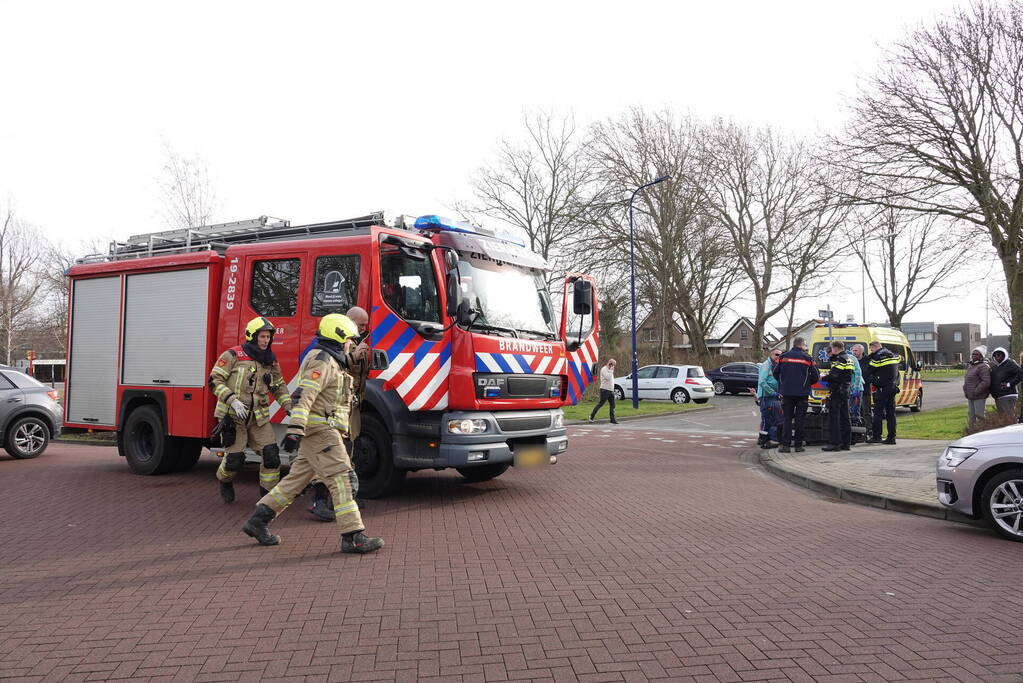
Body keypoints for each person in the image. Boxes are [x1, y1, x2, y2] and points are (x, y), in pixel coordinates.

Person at [241, 313, 384, 554]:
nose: (352, 344)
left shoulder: (332, 360)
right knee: (343, 478)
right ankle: (353, 536)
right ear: (339, 337)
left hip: (321, 431)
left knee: (296, 480)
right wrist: (295, 430)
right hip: (321, 431)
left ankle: (258, 521)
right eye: (350, 339)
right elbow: (305, 396)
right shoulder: (323, 361)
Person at [209, 316, 292, 503]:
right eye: (262, 337)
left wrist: (289, 408)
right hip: (233, 417)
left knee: (271, 456)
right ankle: (224, 480)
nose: (266, 341)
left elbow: (278, 386)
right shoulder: (233, 355)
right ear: (252, 336)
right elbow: (214, 380)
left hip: (258, 418)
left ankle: (267, 499)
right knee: (234, 461)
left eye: (268, 337)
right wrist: (232, 400)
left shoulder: (270, 360)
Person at [309, 306, 371, 522]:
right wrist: (354, 356)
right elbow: (342, 369)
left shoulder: (353, 343)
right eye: (360, 325)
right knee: (329, 455)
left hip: (349, 405)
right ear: (349, 321)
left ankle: (344, 498)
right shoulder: (336, 347)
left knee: (348, 449)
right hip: (331, 411)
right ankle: (319, 500)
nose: (364, 329)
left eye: (365, 325)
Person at [772, 337, 819, 453]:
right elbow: (815, 376)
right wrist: (806, 384)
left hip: (787, 393)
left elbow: (775, 373)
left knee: (787, 419)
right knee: (800, 420)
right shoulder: (807, 358)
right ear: (802, 345)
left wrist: (783, 383)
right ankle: (798, 445)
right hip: (802, 393)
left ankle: (786, 446)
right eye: (805, 345)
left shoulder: (783, 357)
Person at [865, 341, 900, 444]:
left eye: (871, 349)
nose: (871, 351)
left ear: (875, 347)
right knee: (891, 414)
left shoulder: (878, 357)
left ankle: (877, 436)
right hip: (892, 387)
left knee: (878, 413)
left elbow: (868, 370)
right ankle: (891, 437)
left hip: (882, 389)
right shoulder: (892, 355)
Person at [822, 341, 854, 452]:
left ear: (835, 348)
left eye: (831, 349)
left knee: (834, 418)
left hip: (838, 391)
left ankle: (835, 443)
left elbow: (834, 375)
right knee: (845, 417)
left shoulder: (840, 359)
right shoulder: (848, 358)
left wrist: (823, 377)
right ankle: (846, 443)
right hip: (845, 390)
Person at [756, 350, 783, 448]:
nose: (778, 356)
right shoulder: (766, 365)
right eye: (776, 354)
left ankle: (764, 440)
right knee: (770, 419)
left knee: (769, 420)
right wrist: (773, 393)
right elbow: (762, 382)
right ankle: (768, 440)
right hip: (767, 397)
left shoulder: (775, 365)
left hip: (772, 396)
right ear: (771, 355)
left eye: (780, 355)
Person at [989, 347, 1023, 416]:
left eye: (999, 355)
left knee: (1009, 418)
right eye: (995, 355)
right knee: (1003, 419)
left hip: (1008, 395)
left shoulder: (1010, 363)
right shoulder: (995, 367)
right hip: (998, 397)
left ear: (1004, 355)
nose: (997, 356)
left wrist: (1009, 384)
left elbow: (1020, 374)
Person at [964, 346, 991, 425]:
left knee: (980, 416)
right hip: (970, 396)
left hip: (979, 396)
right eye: (973, 354)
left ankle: (982, 433)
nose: (973, 355)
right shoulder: (971, 366)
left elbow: (986, 381)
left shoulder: (983, 366)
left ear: (981, 356)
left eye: (976, 354)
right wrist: (965, 390)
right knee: (971, 416)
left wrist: (976, 391)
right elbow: (967, 379)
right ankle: (971, 433)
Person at [589, 359, 618, 424]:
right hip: (604, 390)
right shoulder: (604, 369)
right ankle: (591, 416)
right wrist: (611, 370)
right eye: (613, 364)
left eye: (614, 365)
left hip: (611, 390)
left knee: (613, 405)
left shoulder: (610, 370)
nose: (614, 366)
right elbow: (607, 377)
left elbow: (610, 379)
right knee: (601, 404)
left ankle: (613, 420)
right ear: (610, 363)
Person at [849, 343, 866, 438]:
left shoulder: (853, 359)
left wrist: (855, 388)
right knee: (851, 410)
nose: (854, 352)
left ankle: (858, 434)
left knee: (855, 411)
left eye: (856, 350)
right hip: (851, 388)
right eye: (853, 350)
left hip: (857, 388)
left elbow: (858, 374)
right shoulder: (850, 358)